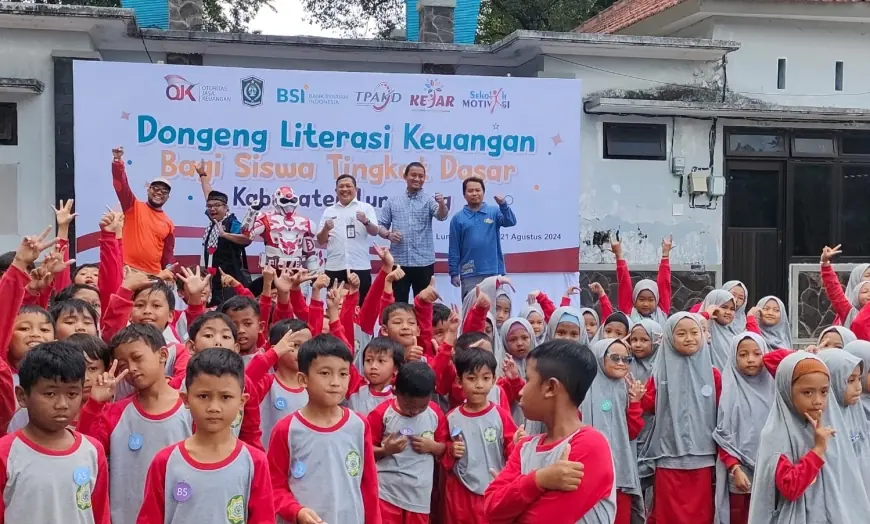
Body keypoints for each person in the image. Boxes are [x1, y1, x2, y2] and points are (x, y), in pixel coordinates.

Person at [484, 339, 616, 523]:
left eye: (528, 380)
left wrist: (511, 499)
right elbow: (490, 507)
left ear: (551, 388)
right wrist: (538, 479)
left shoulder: (591, 445)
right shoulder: (524, 447)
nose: (521, 391)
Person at [137, 348, 274, 523]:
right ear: (185, 399)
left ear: (242, 402)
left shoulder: (254, 462)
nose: (214, 407)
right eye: (203, 396)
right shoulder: (165, 462)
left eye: (225, 397)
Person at [77, 324, 194, 524]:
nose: (131, 368)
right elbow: (85, 453)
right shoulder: (115, 413)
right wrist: (95, 404)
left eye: (137, 358)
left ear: (163, 354)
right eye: (122, 364)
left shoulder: (190, 409)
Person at [268, 334, 380, 524]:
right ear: (303, 379)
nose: (335, 382)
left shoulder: (359, 425)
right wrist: (296, 511)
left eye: (343, 374)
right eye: (325, 373)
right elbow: (274, 486)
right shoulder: (286, 430)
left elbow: (369, 485)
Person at [748, 352, 870, 523]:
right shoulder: (776, 435)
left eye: (824, 392)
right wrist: (818, 450)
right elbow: (790, 488)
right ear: (786, 391)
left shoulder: (827, 426)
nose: (818, 400)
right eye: (807, 393)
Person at [0, 342, 109, 523]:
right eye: (50, 394)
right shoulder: (6, 453)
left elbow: (100, 514)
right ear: (22, 396)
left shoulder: (92, 451)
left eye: (72, 394)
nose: (62, 404)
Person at [640, 312, 720, 524]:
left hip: (703, 457)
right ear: (669, 337)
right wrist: (636, 397)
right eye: (681, 333)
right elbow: (648, 406)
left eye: (695, 332)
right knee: (668, 514)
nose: (689, 338)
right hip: (668, 456)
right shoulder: (659, 374)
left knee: (702, 514)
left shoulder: (713, 375)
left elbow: (723, 411)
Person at [443, 348, 518, 524]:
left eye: (485, 378)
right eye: (471, 378)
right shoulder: (451, 418)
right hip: (461, 493)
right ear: (459, 381)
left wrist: (517, 443)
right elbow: (442, 455)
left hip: (492, 489)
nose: (479, 385)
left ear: (493, 380)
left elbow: (513, 451)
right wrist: (450, 450)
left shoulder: (501, 415)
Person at [369, 360, 448, 524]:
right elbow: (364, 450)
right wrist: (385, 451)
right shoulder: (382, 413)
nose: (415, 411)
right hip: (387, 493)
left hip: (419, 497)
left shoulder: (435, 413)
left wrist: (434, 447)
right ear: (395, 391)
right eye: (409, 406)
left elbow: (446, 448)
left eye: (422, 407)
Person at [712, 332, 774, 524]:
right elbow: (722, 434)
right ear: (733, 357)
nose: (751, 360)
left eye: (757, 354)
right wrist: (734, 467)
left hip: (769, 470)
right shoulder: (729, 389)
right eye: (743, 354)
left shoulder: (774, 389)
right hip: (739, 472)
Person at [377, 162, 449, 303]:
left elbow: (442, 216)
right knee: (398, 306)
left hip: (424, 263)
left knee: (424, 306)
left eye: (421, 176)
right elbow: (381, 226)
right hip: (399, 263)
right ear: (405, 176)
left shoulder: (428, 200)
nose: (417, 179)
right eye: (413, 175)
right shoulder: (393, 201)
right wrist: (388, 235)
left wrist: (442, 204)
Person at [448, 177, 517, 298]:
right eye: (470, 191)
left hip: (493, 272)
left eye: (478, 190)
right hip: (469, 274)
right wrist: (454, 273)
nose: (474, 193)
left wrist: (503, 205)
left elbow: (510, 221)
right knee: (471, 311)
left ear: (483, 193)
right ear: (464, 195)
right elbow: (454, 248)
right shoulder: (457, 218)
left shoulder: (494, 212)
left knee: (493, 310)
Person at [111, 146, 175, 275]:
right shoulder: (133, 206)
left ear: (168, 197)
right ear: (148, 190)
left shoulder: (169, 223)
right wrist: (118, 161)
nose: (159, 193)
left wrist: (168, 268)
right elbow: (121, 185)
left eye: (164, 192)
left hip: (153, 276)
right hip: (127, 270)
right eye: (155, 189)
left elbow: (167, 253)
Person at [317, 175, 379, 304]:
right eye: (341, 186)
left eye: (348, 186)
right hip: (335, 267)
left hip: (360, 266)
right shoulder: (329, 211)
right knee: (334, 306)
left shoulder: (365, 208)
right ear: (336, 191)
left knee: (361, 307)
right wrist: (326, 229)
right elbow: (321, 240)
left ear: (356, 189)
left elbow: (375, 232)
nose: (344, 189)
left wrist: (366, 221)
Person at [196, 164, 251, 305]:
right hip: (212, 279)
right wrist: (202, 175)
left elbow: (247, 239)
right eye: (209, 206)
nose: (212, 209)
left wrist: (225, 235)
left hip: (229, 279)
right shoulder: (214, 222)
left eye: (216, 206)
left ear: (225, 207)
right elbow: (208, 195)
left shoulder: (232, 222)